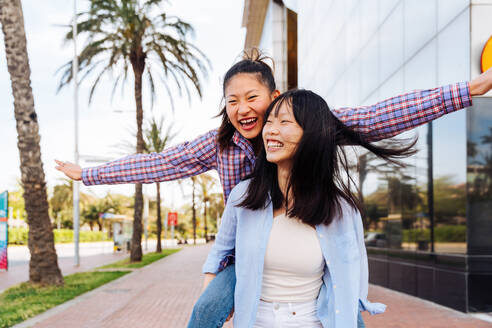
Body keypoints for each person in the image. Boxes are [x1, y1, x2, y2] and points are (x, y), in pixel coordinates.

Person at [54, 49, 491, 327]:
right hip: (247, 253)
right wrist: (89, 174)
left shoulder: (306, 124)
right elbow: (159, 162)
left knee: (347, 313)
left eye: (253, 98)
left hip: (309, 240)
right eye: (232, 101)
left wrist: (464, 91)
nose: (243, 109)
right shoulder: (219, 145)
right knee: (207, 310)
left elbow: (380, 116)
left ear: (276, 96)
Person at [201, 89, 416, 327]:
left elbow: (352, 281)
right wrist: (210, 303)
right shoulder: (243, 196)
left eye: (284, 122)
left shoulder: (341, 211)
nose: (271, 130)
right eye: (270, 121)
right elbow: (219, 255)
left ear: (311, 135)